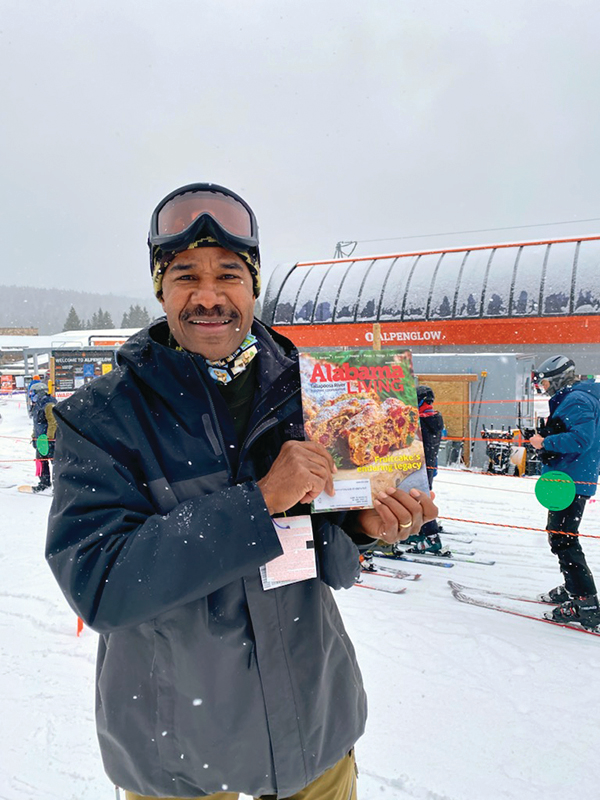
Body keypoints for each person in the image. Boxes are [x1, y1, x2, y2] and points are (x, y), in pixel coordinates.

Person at [45, 182, 437, 800]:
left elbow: (327, 564)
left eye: (229, 275)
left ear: (253, 287)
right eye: (183, 276)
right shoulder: (101, 419)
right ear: (159, 288)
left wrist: (362, 526)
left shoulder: (308, 393)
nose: (208, 296)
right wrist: (260, 501)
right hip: (183, 761)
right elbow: (102, 585)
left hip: (314, 736)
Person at [529, 355, 600, 629]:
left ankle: (586, 602)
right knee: (561, 535)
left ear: (558, 379)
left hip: (571, 480)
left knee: (563, 539)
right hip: (571, 477)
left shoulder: (577, 400)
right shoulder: (578, 397)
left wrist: (545, 440)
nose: (544, 388)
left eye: (545, 382)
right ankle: (575, 586)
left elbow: (582, 439)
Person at [401, 385, 445, 554]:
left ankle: (432, 537)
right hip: (429, 466)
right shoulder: (434, 417)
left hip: (418, 467)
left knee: (417, 500)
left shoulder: (420, 420)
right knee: (419, 499)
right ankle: (419, 532)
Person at [30, 382, 56, 493]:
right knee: (41, 461)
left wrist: (49, 438)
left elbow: (53, 422)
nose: (31, 395)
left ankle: (58, 487)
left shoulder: (48, 404)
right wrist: (34, 436)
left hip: (49, 439)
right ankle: (44, 483)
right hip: (40, 439)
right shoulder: (37, 404)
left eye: (33, 392)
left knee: (55, 463)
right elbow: (37, 423)